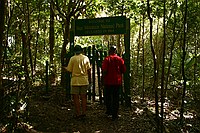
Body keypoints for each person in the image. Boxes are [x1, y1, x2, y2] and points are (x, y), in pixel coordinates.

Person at [65, 45, 91, 118]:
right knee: (84, 97)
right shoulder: (86, 58)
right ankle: (84, 112)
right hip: (84, 80)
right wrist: (90, 80)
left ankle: (78, 113)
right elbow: (89, 70)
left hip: (75, 80)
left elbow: (69, 70)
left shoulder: (72, 59)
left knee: (76, 98)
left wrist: (65, 68)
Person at [102, 45, 126, 120]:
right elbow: (123, 70)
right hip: (117, 82)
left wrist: (102, 79)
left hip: (108, 82)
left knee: (108, 97)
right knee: (116, 98)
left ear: (110, 51)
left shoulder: (107, 59)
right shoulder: (120, 59)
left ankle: (109, 111)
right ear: (115, 51)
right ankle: (114, 114)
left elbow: (104, 71)